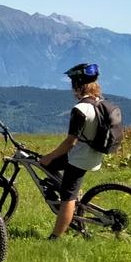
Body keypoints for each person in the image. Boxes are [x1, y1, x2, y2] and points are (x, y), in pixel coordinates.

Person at [39, 63, 106, 240]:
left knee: (67, 198)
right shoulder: (99, 103)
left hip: (79, 158)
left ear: (77, 84)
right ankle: (70, 193)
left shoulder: (80, 109)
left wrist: (49, 156)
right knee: (50, 165)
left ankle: (55, 237)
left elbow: (70, 142)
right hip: (93, 154)